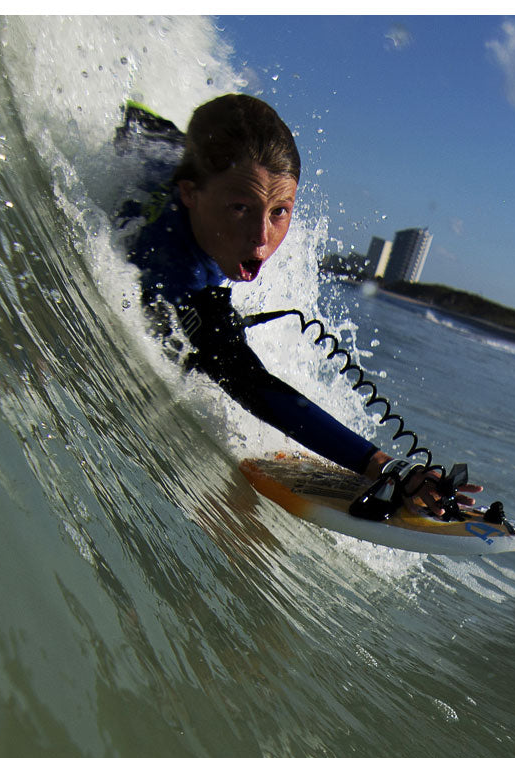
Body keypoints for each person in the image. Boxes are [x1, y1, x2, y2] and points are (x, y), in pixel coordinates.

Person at [116, 94, 479, 518]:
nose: (260, 238)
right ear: (190, 195)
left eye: (279, 212)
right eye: (240, 208)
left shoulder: (219, 206)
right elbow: (245, 378)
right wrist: (383, 466)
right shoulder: (174, 267)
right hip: (146, 148)